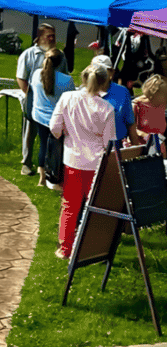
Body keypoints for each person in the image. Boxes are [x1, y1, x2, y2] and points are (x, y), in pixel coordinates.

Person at [49, 62, 117, 260]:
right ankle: (91, 248)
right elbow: (109, 143)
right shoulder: (107, 108)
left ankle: (65, 249)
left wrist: (68, 134)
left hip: (73, 159)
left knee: (70, 205)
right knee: (94, 208)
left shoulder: (68, 98)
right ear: (105, 82)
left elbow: (54, 127)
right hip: (96, 163)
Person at [16, 22, 65, 176]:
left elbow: (64, 75)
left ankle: (49, 166)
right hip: (33, 100)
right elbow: (21, 78)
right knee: (30, 132)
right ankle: (27, 163)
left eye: (53, 36)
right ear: (39, 37)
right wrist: (31, 96)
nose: (52, 39)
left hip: (54, 102)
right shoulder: (29, 54)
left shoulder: (60, 56)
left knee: (51, 136)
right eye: (48, 36)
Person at [29, 48, 75, 188]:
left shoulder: (37, 74)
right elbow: (71, 98)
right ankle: (56, 176)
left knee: (43, 144)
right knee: (58, 148)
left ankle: (42, 178)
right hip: (58, 119)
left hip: (40, 116)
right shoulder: (67, 80)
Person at [91, 54, 140, 146]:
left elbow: (130, 123)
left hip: (116, 146)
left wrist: (136, 150)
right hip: (91, 147)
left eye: (103, 71)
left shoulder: (122, 92)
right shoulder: (83, 93)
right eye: (96, 71)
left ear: (111, 73)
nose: (99, 74)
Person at [134, 74, 167, 153]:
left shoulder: (162, 104)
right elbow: (132, 130)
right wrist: (150, 138)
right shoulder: (136, 105)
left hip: (160, 150)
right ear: (154, 93)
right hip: (142, 151)